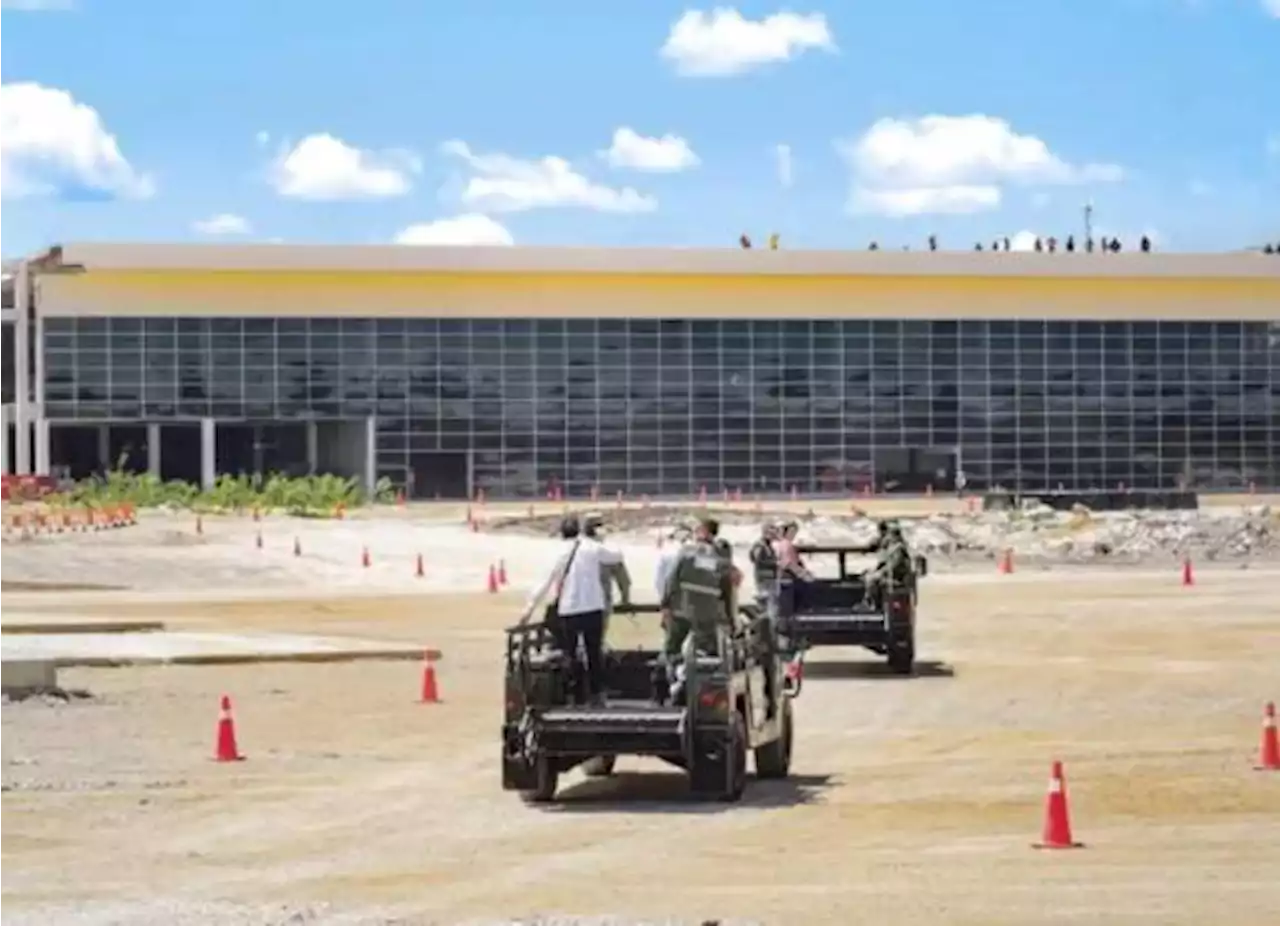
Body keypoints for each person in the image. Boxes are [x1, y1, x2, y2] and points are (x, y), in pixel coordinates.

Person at [520, 514, 627, 706]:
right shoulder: (591, 547)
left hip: (569, 610)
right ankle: (597, 695)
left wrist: (528, 609)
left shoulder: (558, 552)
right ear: (578, 530)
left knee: (571, 655)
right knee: (593, 653)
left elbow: (544, 582)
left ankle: (576, 695)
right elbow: (616, 556)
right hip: (593, 608)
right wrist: (602, 536)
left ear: (562, 533)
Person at [660, 517, 737, 700]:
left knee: (672, 648)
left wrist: (665, 604)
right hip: (707, 611)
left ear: (702, 531)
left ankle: (674, 682)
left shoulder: (686, 551)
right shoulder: (720, 557)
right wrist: (730, 618)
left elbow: (671, 579)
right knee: (705, 651)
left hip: (682, 608)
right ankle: (693, 686)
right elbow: (727, 590)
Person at [583, 511, 631, 636]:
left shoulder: (574, 548)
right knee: (596, 640)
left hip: (576, 604)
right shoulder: (609, 553)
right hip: (600, 605)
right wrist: (625, 600)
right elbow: (624, 581)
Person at [864, 523, 913, 610]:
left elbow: (894, 564)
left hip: (896, 578)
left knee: (872, 580)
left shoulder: (899, 548)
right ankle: (871, 601)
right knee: (868, 576)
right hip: (891, 575)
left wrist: (882, 572)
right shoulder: (892, 546)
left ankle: (873, 604)